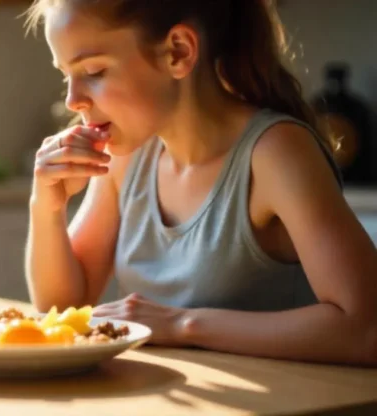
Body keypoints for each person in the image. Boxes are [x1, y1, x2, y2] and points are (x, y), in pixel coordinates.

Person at [23, 0, 377, 366]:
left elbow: (367, 330)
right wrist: (46, 206)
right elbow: (62, 307)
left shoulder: (275, 153)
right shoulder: (127, 157)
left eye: (94, 71)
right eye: (67, 76)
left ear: (178, 52)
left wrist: (183, 325)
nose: (72, 100)